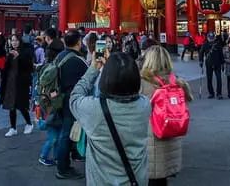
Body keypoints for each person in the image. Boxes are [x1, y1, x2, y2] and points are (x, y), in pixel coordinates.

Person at [70, 50, 150, 185]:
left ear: (106, 79)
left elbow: (74, 98)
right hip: (136, 180)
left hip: (102, 181)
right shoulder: (144, 104)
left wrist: (94, 68)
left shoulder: (93, 109)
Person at [140, 46, 192, 185]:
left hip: (151, 141)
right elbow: (188, 99)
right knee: (162, 179)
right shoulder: (176, 81)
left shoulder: (143, 83)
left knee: (151, 179)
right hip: (172, 135)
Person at [54, 30, 89, 180]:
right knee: (66, 134)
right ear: (79, 42)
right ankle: (63, 167)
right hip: (71, 101)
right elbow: (88, 80)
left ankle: (63, 160)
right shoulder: (77, 60)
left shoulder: (60, 56)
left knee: (64, 132)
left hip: (60, 98)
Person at [2, 33, 35, 137]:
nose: (14, 42)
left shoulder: (25, 52)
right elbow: (7, 68)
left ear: (20, 41)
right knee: (11, 106)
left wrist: (19, 56)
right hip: (11, 82)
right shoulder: (10, 53)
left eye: (16, 40)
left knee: (21, 105)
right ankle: (13, 128)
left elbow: (29, 66)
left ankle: (29, 123)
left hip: (21, 82)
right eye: (12, 40)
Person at [199, 32, 224, 99]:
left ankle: (219, 93)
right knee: (209, 79)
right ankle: (211, 93)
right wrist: (200, 61)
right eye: (210, 38)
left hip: (217, 63)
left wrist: (222, 63)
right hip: (209, 63)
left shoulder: (218, 44)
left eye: (212, 38)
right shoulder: (205, 44)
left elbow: (221, 54)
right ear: (207, 38)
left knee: (219, 79)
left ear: (214, 37)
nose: (211, 39)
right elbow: (201, 52)